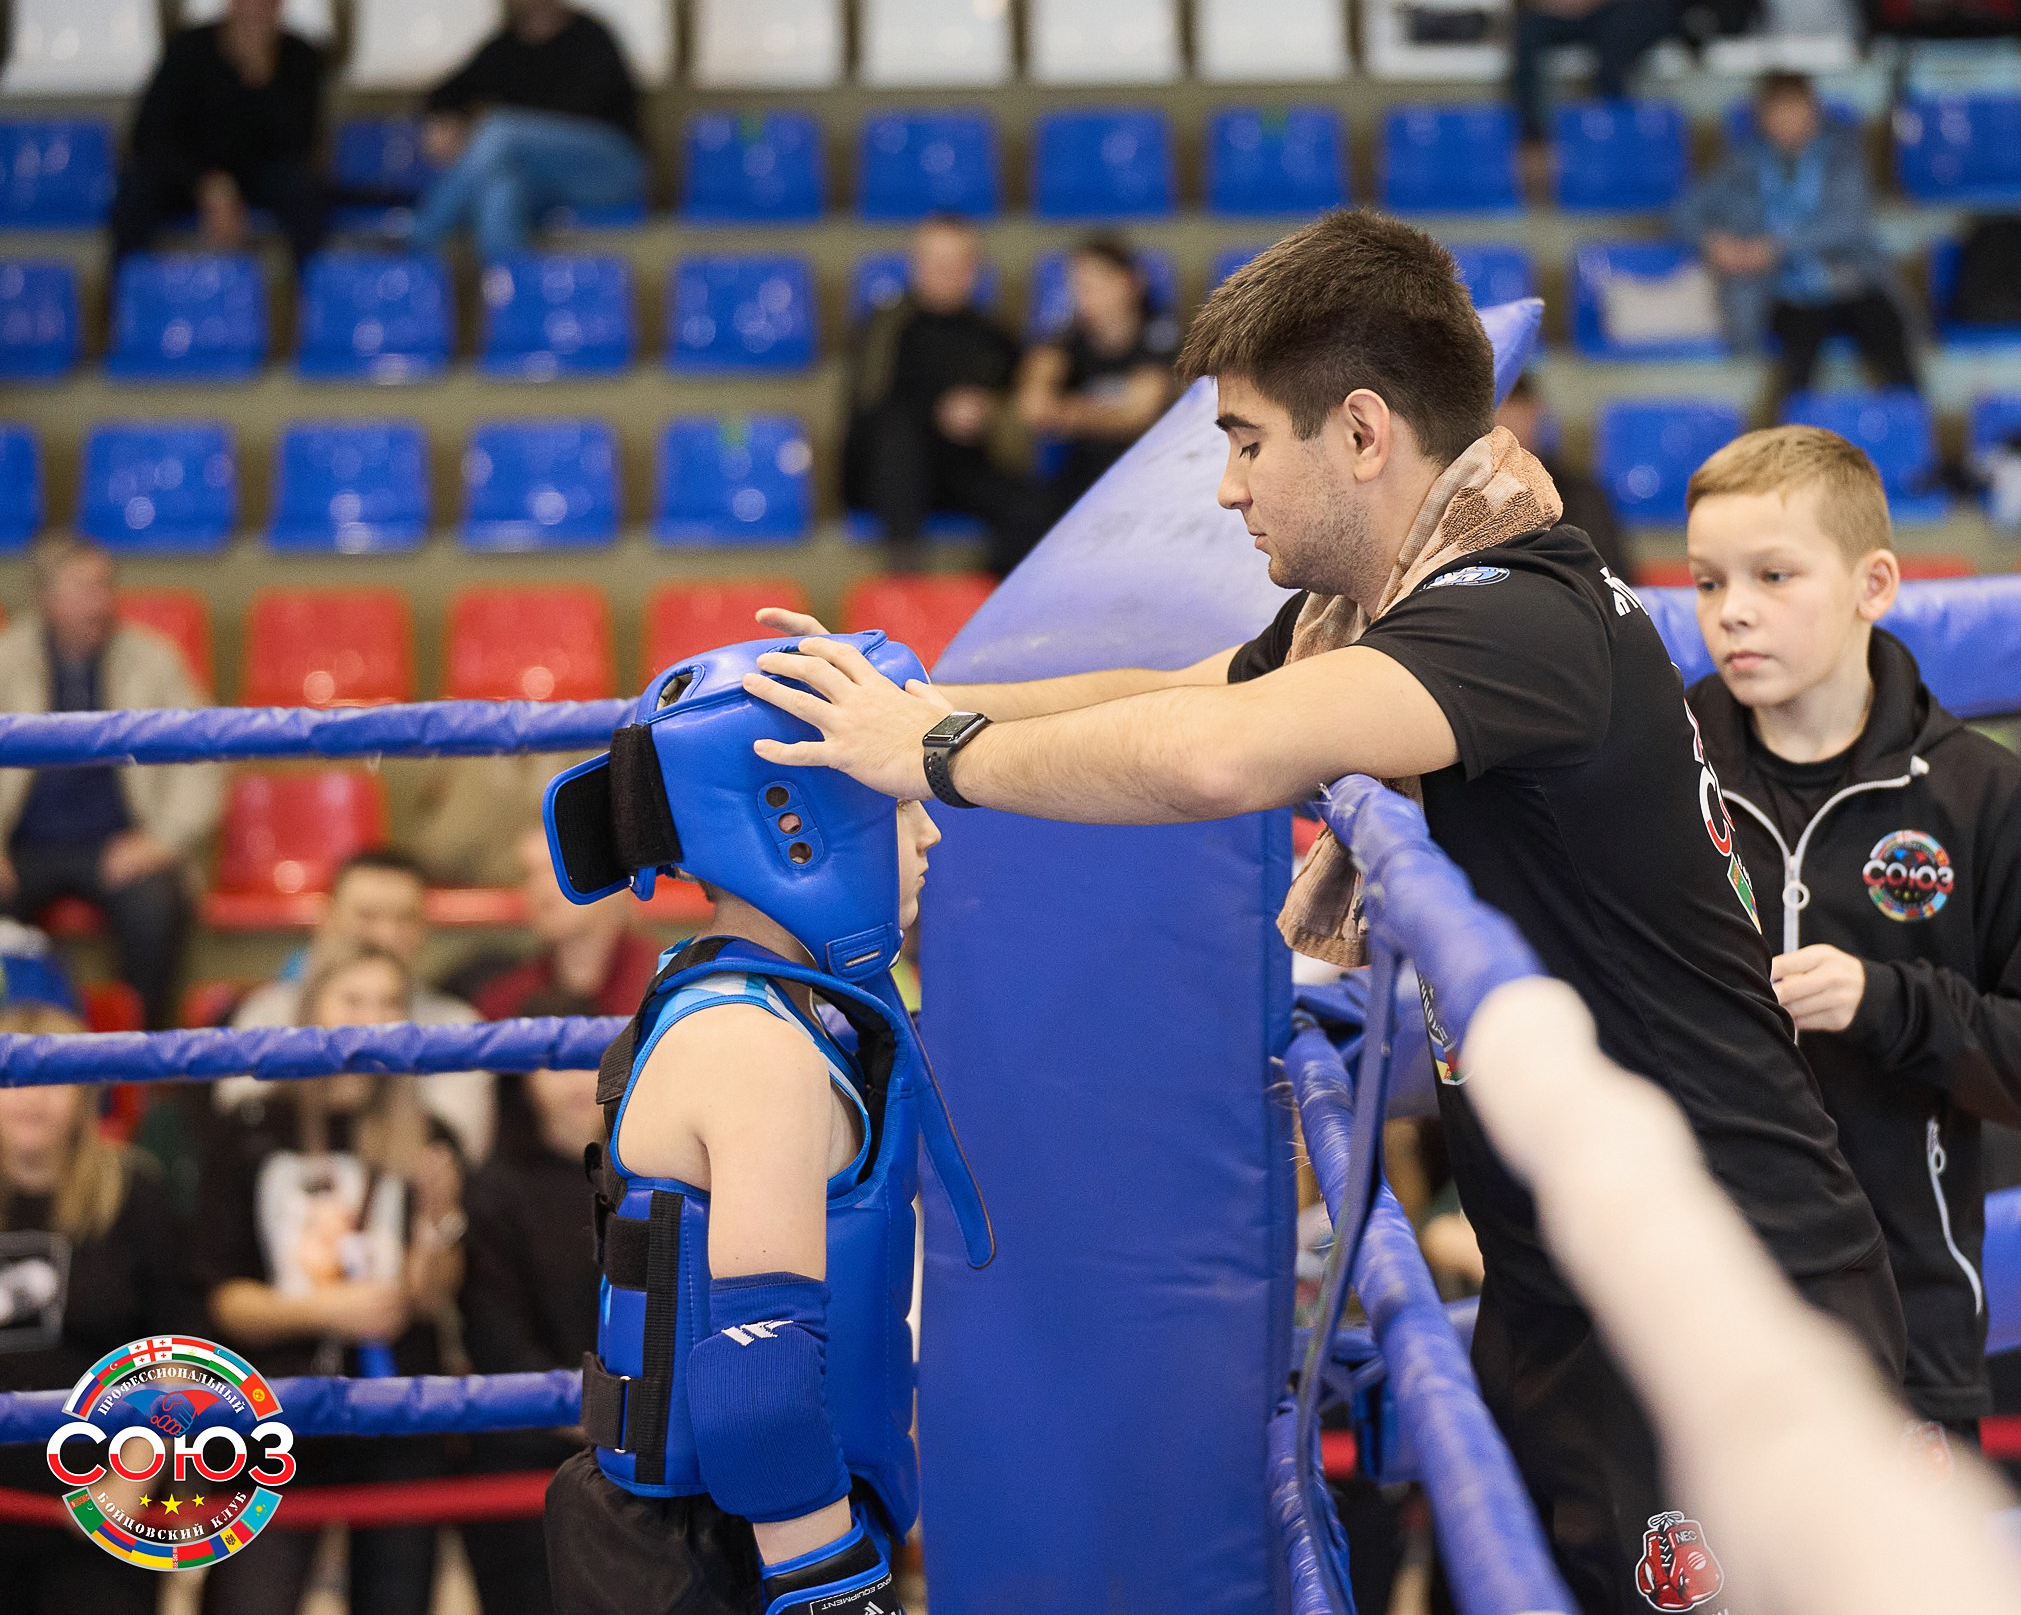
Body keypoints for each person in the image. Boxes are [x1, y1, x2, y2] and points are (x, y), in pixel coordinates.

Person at [741, 209, 1899, 1615]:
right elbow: (1181, 691)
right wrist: (927, 705)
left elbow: (1216, 759)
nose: (1226, 490)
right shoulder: (1398, 609)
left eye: (1244, 440)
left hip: (1723, 1283)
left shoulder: (1515, 616)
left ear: (1361, 432)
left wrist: (928, 759)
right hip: (1580, 1261)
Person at [1679, 426, 2021, 1443]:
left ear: (1873, 585)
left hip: (1902, 1337)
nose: (1732, 610)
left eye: (1772, 575)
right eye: (1706, 583)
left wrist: (1890, 1004)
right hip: (1690, 1328)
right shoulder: (1660, 775)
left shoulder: (1976, 792)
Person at [542, 633, 989, 1615]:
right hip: (723, 1550)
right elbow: (757, 1383)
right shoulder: (752, 1046)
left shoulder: (740, 999)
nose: (929, 837)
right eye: (901, 802)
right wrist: (830, 1592)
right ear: (797, 820)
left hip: (732, 1534)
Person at [196, 946, 468, 1615]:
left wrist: (439, 1220)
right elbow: (220, 1297)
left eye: (388, 1004)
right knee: (248, 1599)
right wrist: (328, 1309)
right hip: (269, 1409)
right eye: (353, 1000)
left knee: (399, 1597)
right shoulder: (252, 1127)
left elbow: (432, 1298)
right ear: (311, 1008)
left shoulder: (427, 1132)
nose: (371, 1020)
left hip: (394, 1414)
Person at [0, 933, 202, 1615]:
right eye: (15, 1078)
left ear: (86, 1094)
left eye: (53, 1079)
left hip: (100, 1503)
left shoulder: (133, 1194)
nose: (34, 1098)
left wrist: (130, 1477)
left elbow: (184, 1349)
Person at [0, 537, 221, 1033]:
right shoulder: (6, 659)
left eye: (105, 586)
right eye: (83, 588)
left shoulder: (155, 658)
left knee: (157, 907)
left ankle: (144, 1057)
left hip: (123, 845)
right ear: (46, 598)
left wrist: (161, 842)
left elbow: (206, 756)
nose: (100, 601)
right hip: (20, 848)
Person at [458, 1043, 603, 1615]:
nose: (574, 1081)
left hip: (640, 1449)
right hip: (530, 1451)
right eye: (556, 1062)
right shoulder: (496, 1188)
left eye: (588, 1058)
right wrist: (605, 1415)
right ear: (523, 1081)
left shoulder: (653, 1177)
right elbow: (495, 1336)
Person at [230, 847, 493, 1163]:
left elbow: (457, 1159)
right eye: (367, 916)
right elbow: (238, 1139)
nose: (386, 935)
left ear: (425, 928)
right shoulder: (267, 1014)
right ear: (326, 918)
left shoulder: (458, 1027)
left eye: (405, 918)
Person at [1672, 71, 1917, 410]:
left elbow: (1848, 222)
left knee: (1894, 350)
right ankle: (1794, 455)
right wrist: (1715, 242)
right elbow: (1685, 211)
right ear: (1762, 116)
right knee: (1797, 371)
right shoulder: (1743, 162)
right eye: (1779, 113)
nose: (1788, 124)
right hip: (1784, 290)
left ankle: (1911, 441)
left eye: (1797, 112)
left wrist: (1774, 247)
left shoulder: (1844, 156)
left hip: (1852, 282)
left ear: (1813, 111)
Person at [409, 0, 645, 258]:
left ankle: (419, 241)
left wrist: (501, 136)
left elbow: (580, 108)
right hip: (545, 180)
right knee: (500, 189)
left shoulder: (593, 36)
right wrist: (444, 119)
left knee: (502, 131)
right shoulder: (504, 47)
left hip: (610, 170)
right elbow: (446, 91)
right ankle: (510, 296)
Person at [839, 213, 1044, 573]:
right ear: (916, 266)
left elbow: (1022, 390)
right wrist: (937, 413)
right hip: (890, 475)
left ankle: (988, 606)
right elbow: (868, 410)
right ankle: (904, 580)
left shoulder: (989, 334)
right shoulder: (886, 326)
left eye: (957, 265)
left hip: (960, 467)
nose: (946, 275)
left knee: (1034, 503)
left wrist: (989, 410)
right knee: (897, 441)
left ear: (973, 270)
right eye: (936, 264)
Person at [106, 0, 329, 270]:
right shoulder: (188, 48)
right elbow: (150, 133)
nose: (259, 7)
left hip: (261, 175)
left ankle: (314, 300)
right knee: (136, 191)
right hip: (189, 174)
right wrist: (206, 182)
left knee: (304, 193)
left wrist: (260, 78)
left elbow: (299, 143)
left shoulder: (300, 56)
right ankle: (126, 302)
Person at [1431, 0, 1681, 157]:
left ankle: (1621, 148)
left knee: (1612, 56)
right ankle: (1534, 141)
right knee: (1526, 33)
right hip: (1572, 10)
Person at [1014, 235, 1182, 510]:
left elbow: (1139, 413)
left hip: (1147, 466)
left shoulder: (1160, 332)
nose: (1084, 297)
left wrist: (1069, 415)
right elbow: (1032, 404)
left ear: (1129, 282)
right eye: (1078, 287)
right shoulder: (1067, 336)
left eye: (1094, 285)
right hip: (1082, 469)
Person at [464, 826, 660, 1021]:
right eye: (527, 873)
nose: (541, 887)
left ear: (613, 880)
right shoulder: (504, 1003)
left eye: (559, 869)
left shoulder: (666, 990)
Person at [1496, 369, 1628, 574]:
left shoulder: (1581, 496)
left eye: (1508, 405)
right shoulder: (1457, 500)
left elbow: (1611, 580)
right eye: (1492, 409)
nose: (1500, 421)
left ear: (1533, 409)